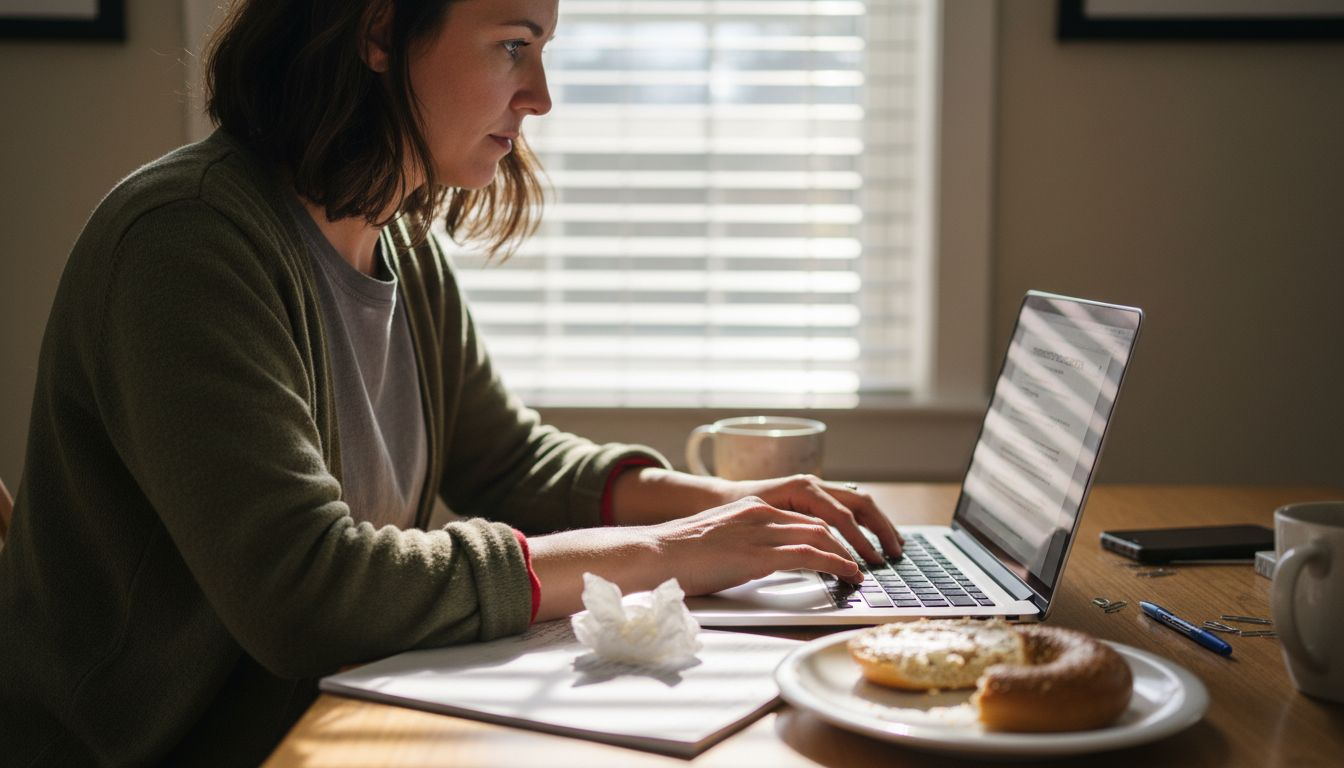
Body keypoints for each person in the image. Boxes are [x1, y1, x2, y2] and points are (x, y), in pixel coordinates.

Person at [0, 0, 903, 764]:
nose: (541, 97)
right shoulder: (185, 242)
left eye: (543, 49)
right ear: (382, 31)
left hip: (319, 722)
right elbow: (310, 593)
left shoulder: (394, 234)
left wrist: (733, 509)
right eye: (514, 45)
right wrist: (672, 552)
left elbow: (507, 461)